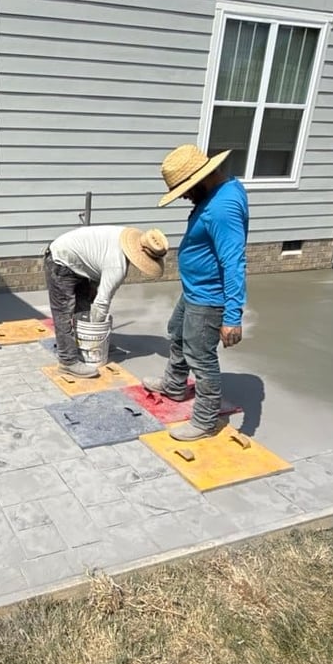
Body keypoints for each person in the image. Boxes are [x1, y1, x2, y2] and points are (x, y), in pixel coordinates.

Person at [144, 144, 248, 441]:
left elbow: (234, 262)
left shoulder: (222, 208)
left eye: (186, 190)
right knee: (177, 334)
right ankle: (174, 386)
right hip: (194, 290)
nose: (185, 196)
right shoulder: (224, 190)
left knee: (201, 357)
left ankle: (204, 421)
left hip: (209, 297)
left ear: (202, 178)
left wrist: (232, 316)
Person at [44, 225, 168, 377]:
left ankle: (81, 345)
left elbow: (96, 261)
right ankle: (67, 361)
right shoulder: (117, 266)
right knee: (63, 311)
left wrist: (93, 291)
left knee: (83, 308)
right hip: (60, 259)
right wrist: (97, 338)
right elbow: (101, 304)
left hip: (77, 260)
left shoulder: (125, 237)